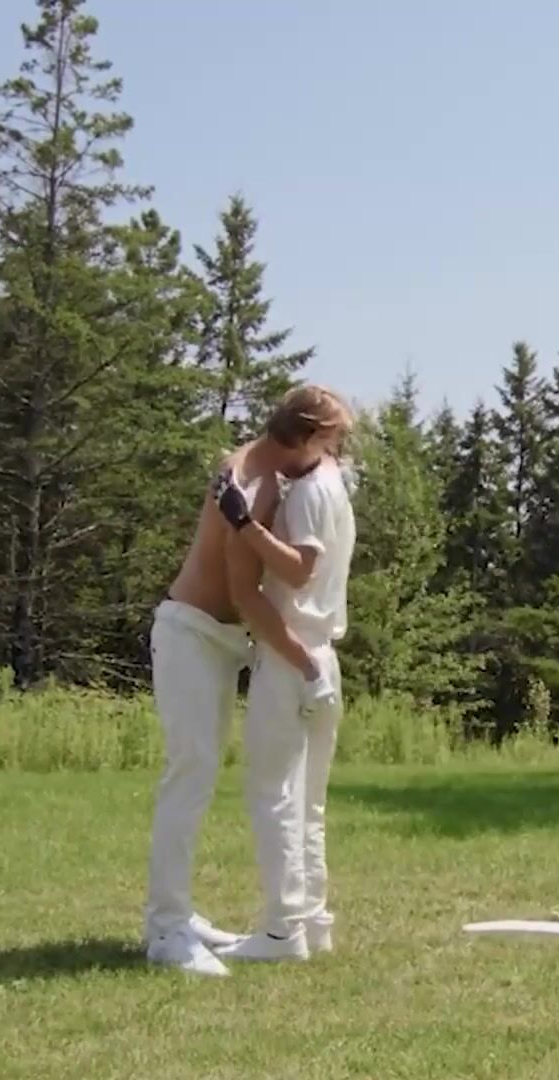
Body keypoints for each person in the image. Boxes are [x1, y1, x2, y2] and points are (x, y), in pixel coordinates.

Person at [141, 386, 350, 978]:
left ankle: (183, 916)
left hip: (228, 641)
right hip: (192, 633)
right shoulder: (245, 485)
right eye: (333, 439)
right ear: (308, 435)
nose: (337, 452)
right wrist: (304, 662)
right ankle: (165, 928)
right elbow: (245, 595)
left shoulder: (278, 475)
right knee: (192, 771)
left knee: (206, 774)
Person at [211, 392, 356, 963]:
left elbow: (299, 569)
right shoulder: (329, 482)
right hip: (321, 657)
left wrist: (243, 523)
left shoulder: (312, 492)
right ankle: (313, 922)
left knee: (274, 795)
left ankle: (281, 930)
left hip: (292, 653)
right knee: (308, 800)